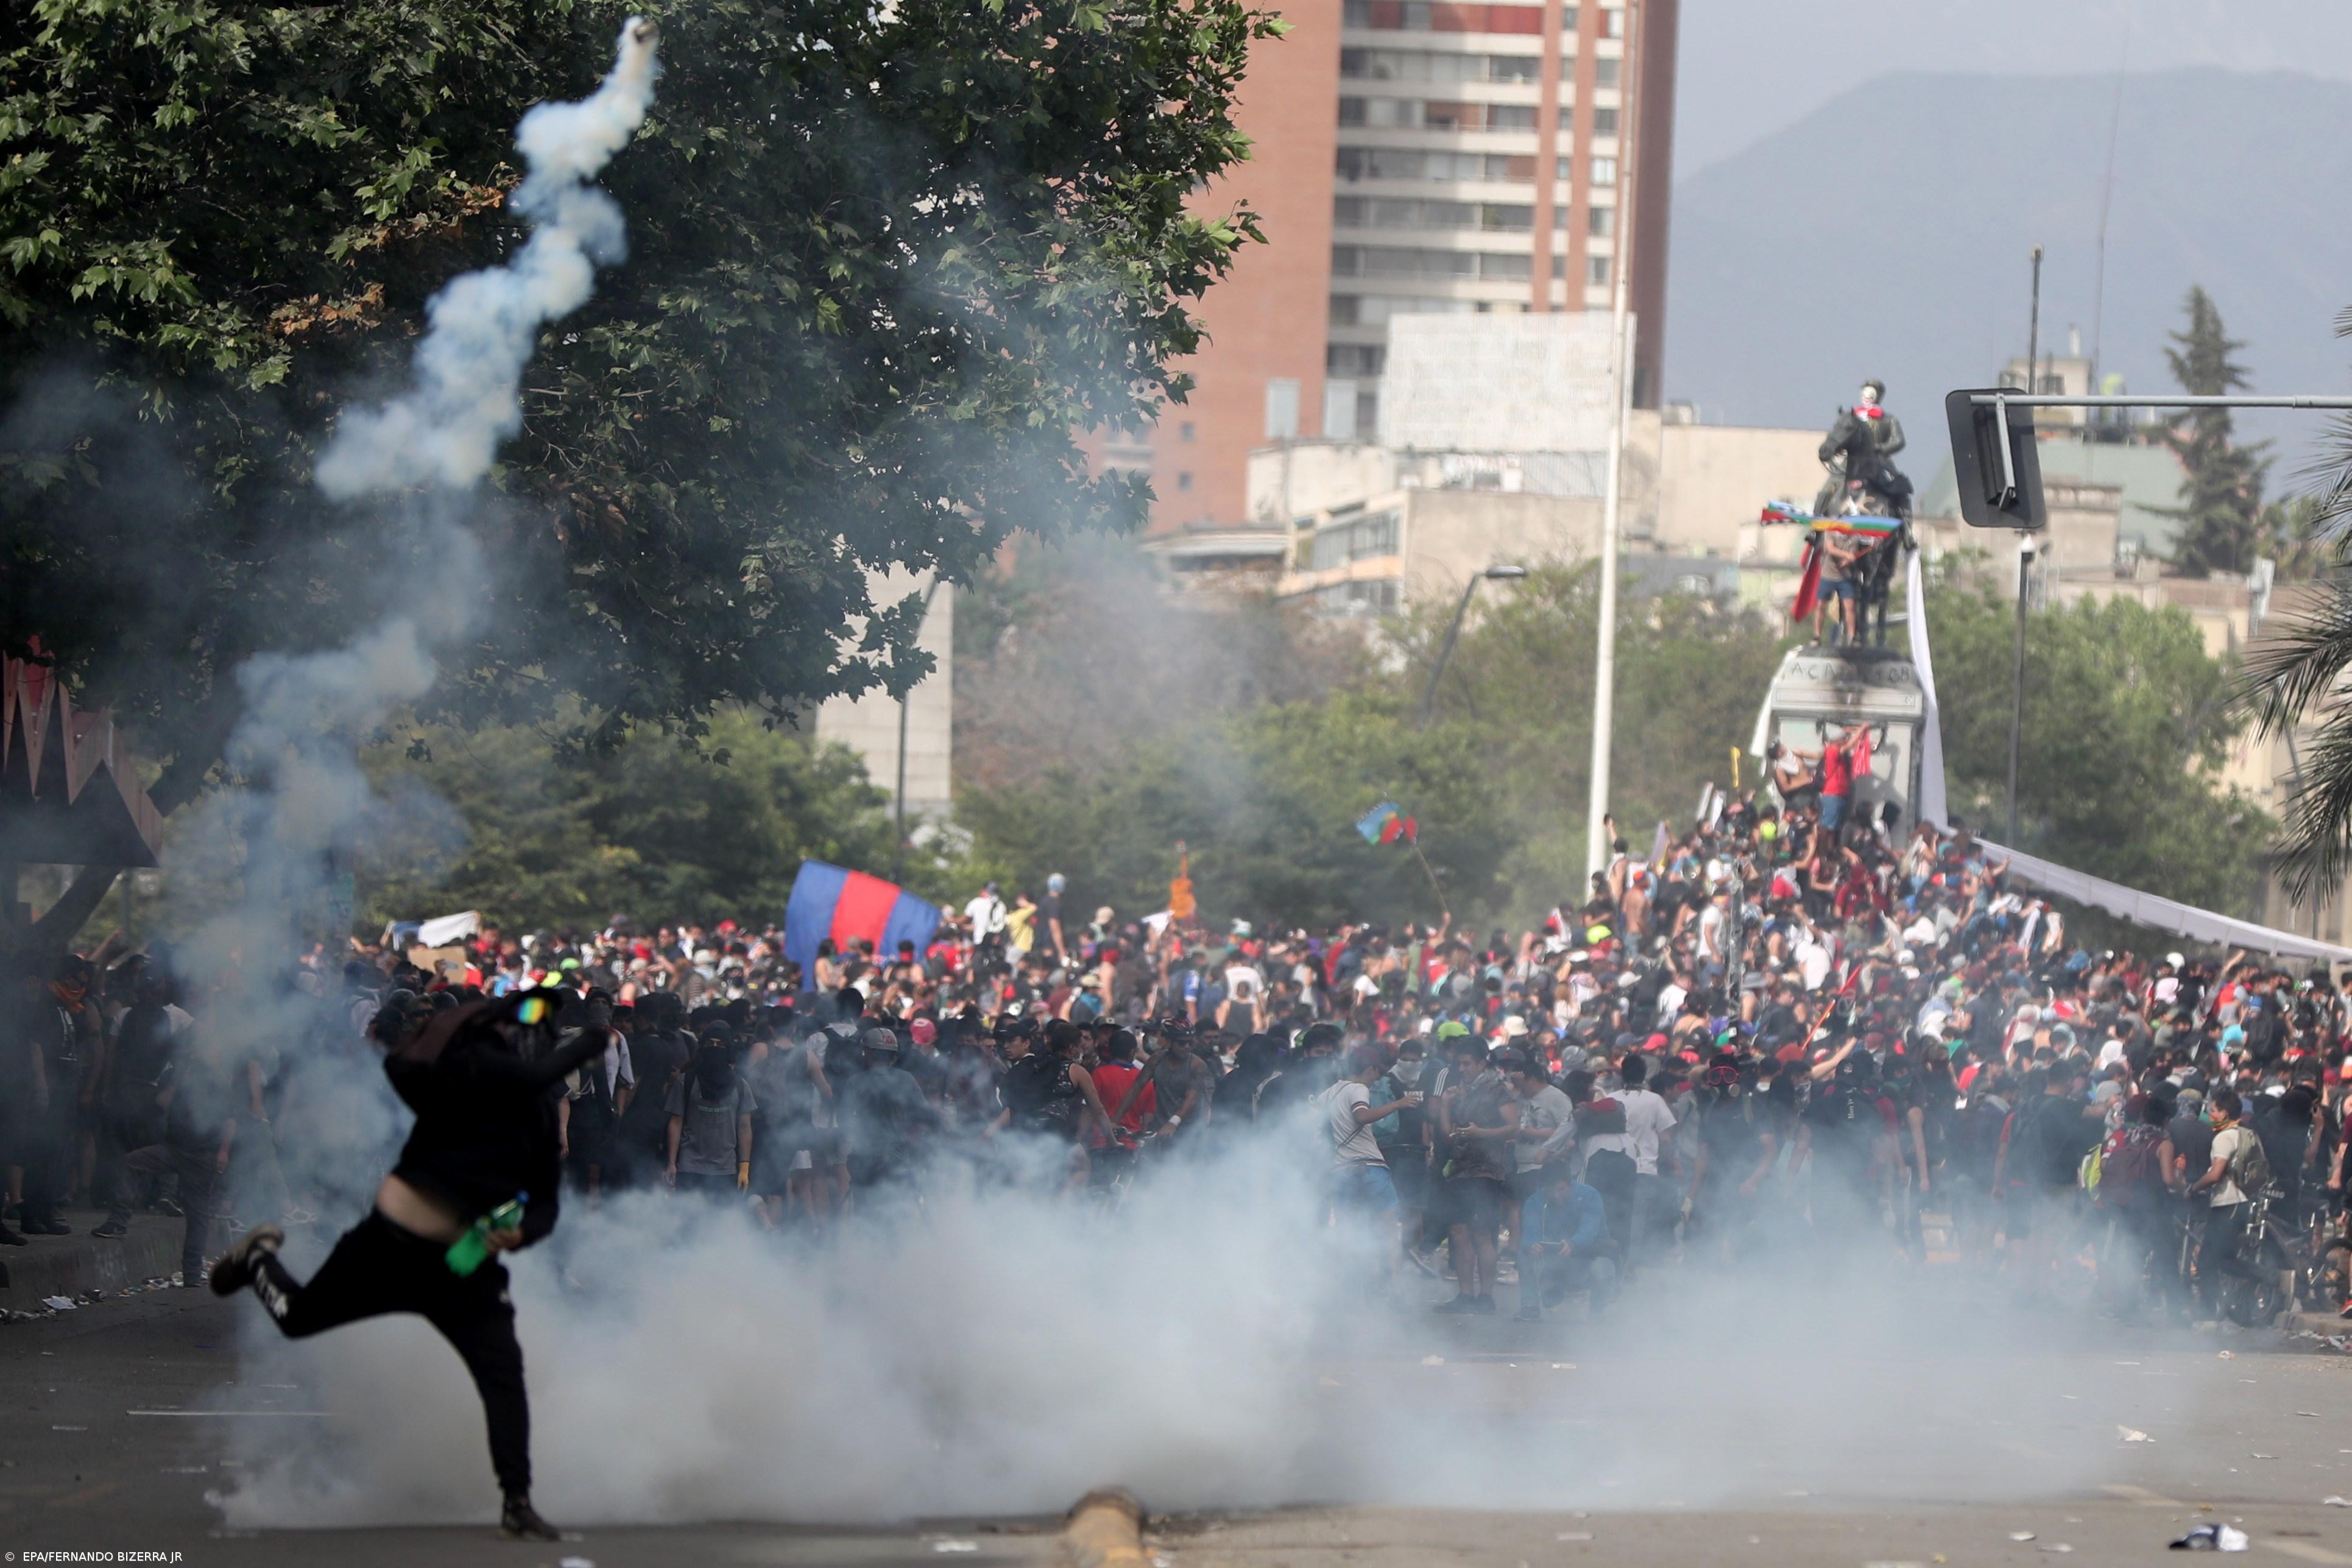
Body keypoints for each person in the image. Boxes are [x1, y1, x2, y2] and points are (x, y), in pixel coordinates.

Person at [208, 993, 612, 1541]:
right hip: (388, 1248)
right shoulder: (464, 1072)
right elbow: (417, 1059)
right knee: (298, 1318)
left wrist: (521, 1234)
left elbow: (545, 1205)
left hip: (465, 1266)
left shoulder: (538, 1115)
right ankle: (258, 1259)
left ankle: (517, 1501)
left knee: (504, 1377)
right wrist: (530, 1023)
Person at [1514, 1164, 1615, 1322]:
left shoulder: (1590, 1195)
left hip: (1589, 1256)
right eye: (1551, 1190)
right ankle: (1530, 1307)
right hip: (1555, 1260)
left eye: (1561, 1189)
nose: (1556, 1195)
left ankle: (1597, 1310)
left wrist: (1574, 1243)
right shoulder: (1535, 1201)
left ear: (1570, 1184)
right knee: (1524, 1253)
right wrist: (1532, 1245)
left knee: (1602, 1268)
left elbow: (1590, 1230)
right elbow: (1529, 1233)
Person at [665, 1037, 757, 1203]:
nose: (715, 1048)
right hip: (690, 1165)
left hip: (725, 1169)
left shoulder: (741, 1086)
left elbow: (745, 1127)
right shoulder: (686, 1081)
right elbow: (676, 1122)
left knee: (720, 1217)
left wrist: (744, 1168)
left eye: (720, 1044)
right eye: (710, 1043)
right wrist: (671, 1163)